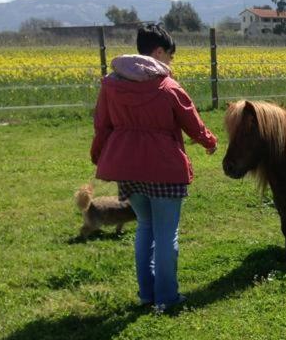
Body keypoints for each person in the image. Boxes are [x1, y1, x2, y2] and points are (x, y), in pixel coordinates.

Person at [90, 24, 217, 311]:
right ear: (159, 52)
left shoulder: (111, 85)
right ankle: (167, 298)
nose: (170, 64)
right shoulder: (168, 87)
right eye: (170, 57)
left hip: (127, 167)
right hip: (165, 168)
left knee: (145, 227)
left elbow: (101, 125)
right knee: (165, 233)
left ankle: (147, 294)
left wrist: (98, 154)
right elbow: (192, 123)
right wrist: (210, 141)